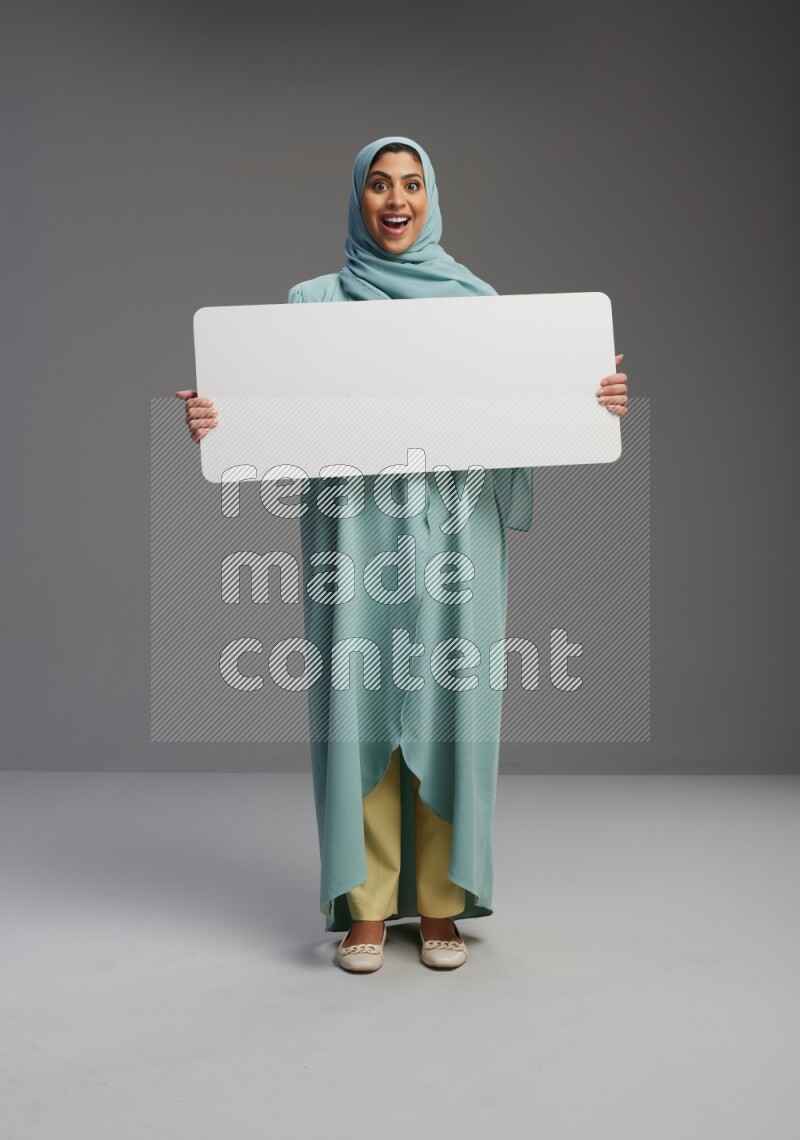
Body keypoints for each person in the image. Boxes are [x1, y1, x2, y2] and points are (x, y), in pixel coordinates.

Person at [176, 135, 629, 973]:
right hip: (353, 535)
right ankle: (368, 905)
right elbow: (269, 418)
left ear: (431, 197)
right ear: (358, 198)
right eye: (379, 185)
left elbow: (522, 417)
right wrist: (217, 421)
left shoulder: (479, 302)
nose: (395, 200)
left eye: (412, 185)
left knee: (453, 699)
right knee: (359, 703)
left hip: (458, 527)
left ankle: (443, 901)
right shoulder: (311, 304)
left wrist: (588, 398)